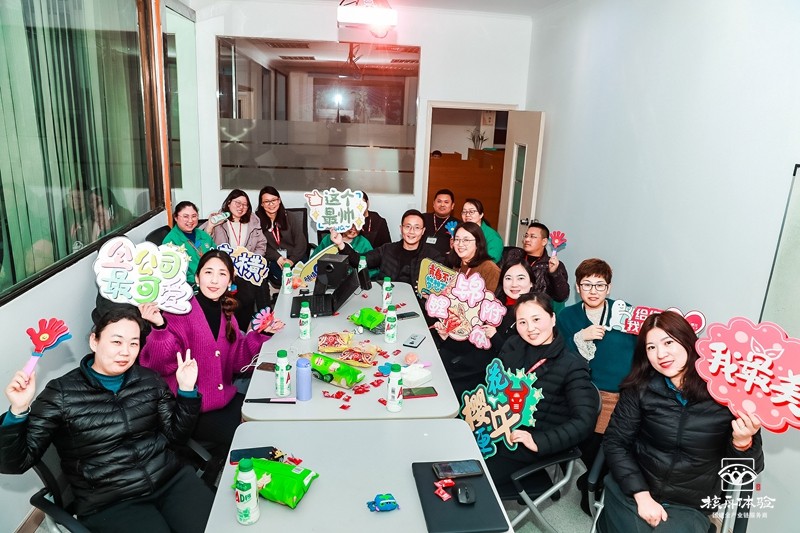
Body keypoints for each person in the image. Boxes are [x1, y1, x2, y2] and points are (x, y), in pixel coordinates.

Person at [0, 307, 213, 532]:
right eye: (116, 342)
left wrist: (187, 391)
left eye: (133, 343)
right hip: (111, 501)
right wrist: (18, 411)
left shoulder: (149, 380)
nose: (125, 352)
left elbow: (177, 436)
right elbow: (14, 463)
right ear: (94, 341)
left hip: (169, 479)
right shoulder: (61, 394)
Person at [601, 312, 764, 532]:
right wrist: (642, 495)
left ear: (688, 341)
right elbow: (615, 442)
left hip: (689, 505)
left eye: (668, 342)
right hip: (633, 490)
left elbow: (746, 471)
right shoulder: (639, 388)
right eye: (651, 347)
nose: (661, 354)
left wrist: (743, 443)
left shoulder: (728, 394)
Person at [139, 250, 283, 474]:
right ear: (197, 278)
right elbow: (159, 365)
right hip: (192, 410)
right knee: (255, 438)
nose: (214, 280)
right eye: (208, 272)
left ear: (230, 281)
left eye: (222, 274)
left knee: (271, 419)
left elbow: (238, 361)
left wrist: (262, 334)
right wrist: (159, 327)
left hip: (223, 399)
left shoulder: (227, 313)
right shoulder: (178, 311)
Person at [484, 292, 597, 494]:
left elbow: (584, 421)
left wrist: (538, 441)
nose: (530, 328)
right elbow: (494, 385)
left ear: (552, 318)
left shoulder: (572, 364)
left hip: (525, 444)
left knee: (471, 476)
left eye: (536, 319)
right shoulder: (513, 345)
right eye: (522, 322)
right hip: (496, 427)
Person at [556, 258, 636, 513]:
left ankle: (594, 482)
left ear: (609, 288)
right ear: (577, 287)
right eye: (587, 284)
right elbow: (558, 354)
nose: (593, 291)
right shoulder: (567, 316)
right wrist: (580, 337)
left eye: (600, 285)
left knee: (616, 447)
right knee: (588, 442)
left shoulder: (625, 312)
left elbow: (641, 349)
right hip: (582, 390)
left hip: (621, 393)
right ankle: (591, 481)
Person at [439, 258, 534, 397]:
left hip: (493, 376)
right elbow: (473, 340)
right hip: (473, 362)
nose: (514, 284)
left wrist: (494, 336)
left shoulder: (532, 314)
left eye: (520, 278)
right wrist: (448, 336)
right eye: (508, 278)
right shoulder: (493, 305)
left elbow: (516, 358)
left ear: (531, 283)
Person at [332, 209, 443, 292]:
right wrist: (341, 244)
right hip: (386, 299)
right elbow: (358, 261)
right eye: (407, 226)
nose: (411, 231)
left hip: (417, 304)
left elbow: (441, 286)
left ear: (423, 231)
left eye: (417, 227)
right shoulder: (387, 249)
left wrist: (430, 293)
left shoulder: (433, 257)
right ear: (401, 228)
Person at [203, 189, 268, 328]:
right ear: (228, 203)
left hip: (245, 267)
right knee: (243, 296)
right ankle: (239, 327)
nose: (241, 207)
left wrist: (253, 260)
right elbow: (201, 243)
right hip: (225, 267)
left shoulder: (253, 221)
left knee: (259, 280)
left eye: (245, 204)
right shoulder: (218, 219)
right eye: (237, 203)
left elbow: (261, 244)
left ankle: (265, 319)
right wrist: (210, 226)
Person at [255, 186, 308, 287]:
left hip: (296, 257)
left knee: (302, 277)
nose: (271, 204)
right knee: (286, 280)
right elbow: (260, 244)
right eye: (266, 201)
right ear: (262, 204)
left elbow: (301, 242)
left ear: (279, 200)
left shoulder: (290, 217)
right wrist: (278, 257)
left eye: (273, 200)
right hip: (275, 259)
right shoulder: (257, 221)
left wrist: (292, 260)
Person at [162, 200, 216, 285]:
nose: (190, 220)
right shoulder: (170, 242)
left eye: (194, 216)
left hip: (213, 280)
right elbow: (174, 273)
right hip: (190, 285)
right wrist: (198, 280)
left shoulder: (203, 235)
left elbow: (216, 254)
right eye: (185, 216)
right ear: (176, 218)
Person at [520, 222, 569, 302]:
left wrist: (554, 273)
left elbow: (561, 296)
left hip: (538, 306)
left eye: (532, 236)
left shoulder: (553, 265)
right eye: (526, 236)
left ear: (544, 241)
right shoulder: (515, 258)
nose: (527, 239)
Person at [445, 222, 500, 292]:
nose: (460, 244)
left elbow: (490, 297)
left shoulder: (489, 268)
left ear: (478, 243)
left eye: (466, 240)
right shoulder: (457, 265)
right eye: (457, 239)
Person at [460, 198, 503, 262]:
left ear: (481, 215)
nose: (467, 215)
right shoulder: (460, 232)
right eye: (464, 212)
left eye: (471, 212)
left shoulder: (492, 236)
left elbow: (492, 259)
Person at [422, 188, 458, 255]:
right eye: (439, 201)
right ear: (433, 204)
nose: (442, 205)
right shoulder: (422, 218)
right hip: (421, 257)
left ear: (452, 206)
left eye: (446, 202)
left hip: (445, 259)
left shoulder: (457, 224)